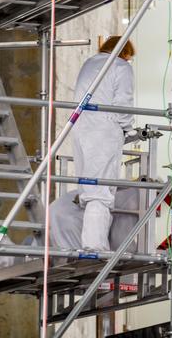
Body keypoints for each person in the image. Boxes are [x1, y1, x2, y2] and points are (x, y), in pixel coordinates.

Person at [72, 35, 135, 252]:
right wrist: (128, 128)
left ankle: (90, 243)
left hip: (80, 128)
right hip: (104, 129)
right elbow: (123, 104)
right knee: (100, 190)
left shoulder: (89, 63)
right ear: (125, 53)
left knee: (89, 188)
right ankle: (95, 246)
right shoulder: (121, 66)